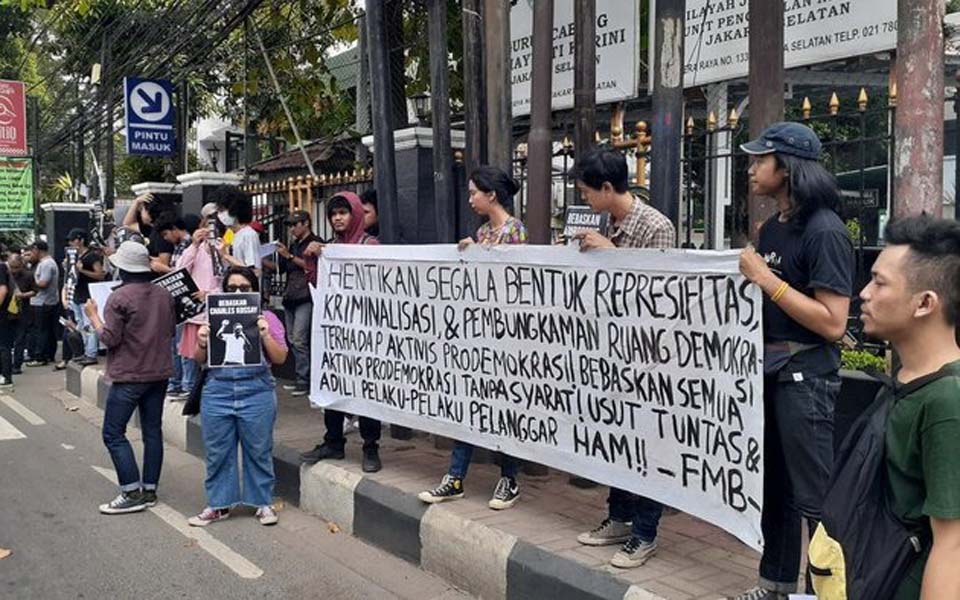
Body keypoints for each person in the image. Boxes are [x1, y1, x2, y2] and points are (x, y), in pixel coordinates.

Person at [731, 122, 853, 600]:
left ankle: (828, 591)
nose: (752, 168)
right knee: (775, 488)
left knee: (815, 498)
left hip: (807, 379)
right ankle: (774, 586)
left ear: (786, 168)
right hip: (771, 373)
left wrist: (766, 279)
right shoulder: (774, 227)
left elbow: (833, 323)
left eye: (760, 160)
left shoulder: (825, 231)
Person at [566, 149, 675, 569]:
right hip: (606, 351)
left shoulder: (656, 226)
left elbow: (657, 295)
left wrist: (610, 252)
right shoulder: (597, 221)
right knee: (616, 440)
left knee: (646, 446)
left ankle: (645, 533)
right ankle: (619, 517)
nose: (585, 201)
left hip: (647, 357)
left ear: (608, 188)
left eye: (587, 192)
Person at [850, 215, 960, 599]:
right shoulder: (906, 378)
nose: (864, 293)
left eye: (879, 282)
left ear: (925, 303)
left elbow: (953, 547)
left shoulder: (949, 402)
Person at [418, 166, 527, 510]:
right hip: (478, 336)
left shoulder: (515, 231)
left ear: (491, 194)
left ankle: (509, 477)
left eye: (473, 193)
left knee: (504, 408)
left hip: (506, 338)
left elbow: (517, 280)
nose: (470, 199)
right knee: (469, 405)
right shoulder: (481, 232)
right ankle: (455, 477)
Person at [188, 266, 288, 527]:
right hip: (218, 390)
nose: (238, 293)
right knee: (218, 451)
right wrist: (201, 342)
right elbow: (198, 360)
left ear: (254, 290)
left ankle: (262, 502)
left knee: (259, 449)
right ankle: (219, 504)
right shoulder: (212, 317)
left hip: (256, 390)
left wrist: (265, 334)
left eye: (244, 288)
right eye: (232, 289)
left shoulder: (267, 318)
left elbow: (280, 357)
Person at [85, 241, 176, 514]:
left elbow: (110, 339)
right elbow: (170, 330)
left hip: (129, 374)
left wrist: (93, 317)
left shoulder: (118, 298)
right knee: (152, 431)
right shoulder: (163, 294)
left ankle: (130, 491)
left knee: (113, 433)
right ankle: (149, 489)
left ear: (122, 268)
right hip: (159, 372)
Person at [299, 191, 382, 473]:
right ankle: (333, 442)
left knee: (366, 390)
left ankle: (371, 446)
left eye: (343, 213)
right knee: (332, 386)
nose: (337, 218)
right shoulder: (329, 248)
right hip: (335, 333)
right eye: (333, 214)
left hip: (365, 333)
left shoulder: (370, 244)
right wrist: (313, 258)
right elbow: (318, 284)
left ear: (355, 214)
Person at [175, 203, 222, 399]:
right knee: (190, 354)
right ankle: (189, 388)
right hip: (195, 311)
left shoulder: (224, 246)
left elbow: (229, 279)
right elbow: (180, 270)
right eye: (210, 218)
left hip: (216, 310)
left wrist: (210, 293)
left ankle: (209, 390)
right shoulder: (197, 247)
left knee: (214, 355)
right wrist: (194, 245)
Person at [277, 210, 323, 397]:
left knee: (299, 339)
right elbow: (285, 268)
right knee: (293, 340)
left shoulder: (315, 242)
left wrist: (288, 255)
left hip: (306, 296)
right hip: (291, 296)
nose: (292, 229)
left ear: (306, 223)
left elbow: (313, 266)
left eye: (295, 225)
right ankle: (300, 378)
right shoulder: (294, 244)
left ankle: (305, 380)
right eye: (289, 225)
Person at [154, 215, 196, 400]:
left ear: (174, 228)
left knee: (184, 346)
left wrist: (163, 270)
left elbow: (185, 274)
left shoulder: (191, 246)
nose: (165, 239)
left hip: (187, 303)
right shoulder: (179, 247)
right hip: (176, 303)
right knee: (175, 346)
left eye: (166, 234)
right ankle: (176, 383)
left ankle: (187, 385)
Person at [66, 228, 104, 366]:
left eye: (73, 240)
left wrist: (82, 270)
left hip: (87, 295)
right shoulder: (75, 256)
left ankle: (91, 353)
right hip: (77, 294)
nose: (71, 243)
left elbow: (100, 275)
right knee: (81, 325)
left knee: (89, 325)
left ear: (81, 240)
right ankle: (86, 351)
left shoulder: (91, 256)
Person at [25, 241, 60, 368]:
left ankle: (40, 356)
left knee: (41, 330)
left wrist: (30, 280)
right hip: (46, 301)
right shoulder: (46, 263)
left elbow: (43, 283)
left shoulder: (46, 264)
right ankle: (48, 354)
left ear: (37, 249)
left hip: (43, 301)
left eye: (33, 251)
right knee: (47, 329)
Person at [122, 193, 176, 274]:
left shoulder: (161, 233)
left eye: (143, 209)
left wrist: (142, 257)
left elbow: (164, 263)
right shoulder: (149, 228)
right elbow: (127, 224)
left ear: (148, 211)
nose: (140, 213)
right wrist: (136, 202)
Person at [213, 186, 261, 274]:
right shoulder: (229, 234)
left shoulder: (249, 235)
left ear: (234, 210)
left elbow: (254, 271)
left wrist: (226, 255)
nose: (220, 215)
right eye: (218, 211)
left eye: (222, 210)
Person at [7, 254, 35, 373]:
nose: (14, 270)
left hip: (22, 310)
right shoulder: (4, 274)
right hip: (6, 311)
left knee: (20, 339)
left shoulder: (28, 275)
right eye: (12, 267)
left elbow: (35, 291)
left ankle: (17, 365)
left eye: (16, 267)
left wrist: (23, 295)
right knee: (6, 339)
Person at [0, 256, 12, 389]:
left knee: (3, 345)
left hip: (2, 313)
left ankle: (6, 375)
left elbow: (3, 290)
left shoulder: (1, 267)